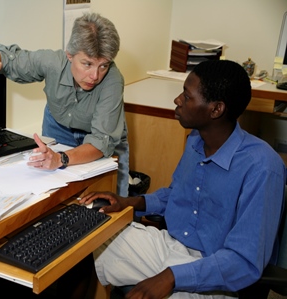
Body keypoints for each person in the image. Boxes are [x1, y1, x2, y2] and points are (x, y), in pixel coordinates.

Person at [79, 59, 286, 298]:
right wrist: (129, 202)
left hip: (217, 274)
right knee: (90, 234)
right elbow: (176, 194)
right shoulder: (196, 141)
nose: (178, 100)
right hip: (171, 248)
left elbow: (244, 261)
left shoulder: (262, 166)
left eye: (187, 97)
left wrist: (172, 277)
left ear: (216, 109)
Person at [0, 12, 129, 197]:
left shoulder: (113, 81)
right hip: (59, 127)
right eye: (87, 64)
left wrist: (61, 158)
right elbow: (6, 56)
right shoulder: (52, 62)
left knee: (112, 198)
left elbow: (100, 141)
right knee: (54, 195)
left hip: (100, 136)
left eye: (103, 65)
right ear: (69, 55)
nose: (95, 76)